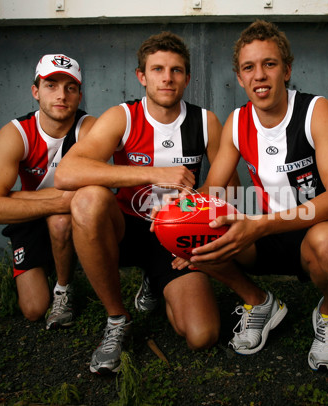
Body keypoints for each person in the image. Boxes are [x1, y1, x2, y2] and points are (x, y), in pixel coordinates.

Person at [184, 20, 328, 372]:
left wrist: (260, 225)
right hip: (262, 229)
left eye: (269, 64)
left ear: (287, 70)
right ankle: (259, 302)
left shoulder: (315, 110)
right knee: (194, 232)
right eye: (249, 67)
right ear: (239, 77)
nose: (259, 75)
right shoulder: (237, 120)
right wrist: (174, 221)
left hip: (314, 227)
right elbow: (214, 190)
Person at [55, 32, 236, 375]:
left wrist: (195, 219)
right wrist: (154, 173)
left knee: (203, 334)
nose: (167, 78)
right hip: (125, 228)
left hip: (176, 236)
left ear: (187, 78)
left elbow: (228, 189)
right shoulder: (122, 116)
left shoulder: (205, 121)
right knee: (88, 200)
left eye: (176, 70)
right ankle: (117, 319)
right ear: (142, 76)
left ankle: (158, 282)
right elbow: (67, 171)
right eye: (157, 69)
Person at [0, 54, 96, 329]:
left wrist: (13, 197)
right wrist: (61, 198)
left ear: (79, 95)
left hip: (68, 218)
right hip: (29, 218)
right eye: (51, 85)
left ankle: (64, 289)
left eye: (70, 88)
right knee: (33, 309)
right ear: (36, 91)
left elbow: (92, 194)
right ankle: (45, 265)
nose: (61, 95)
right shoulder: (16, 133)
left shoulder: (89, 128)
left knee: (62, 220)